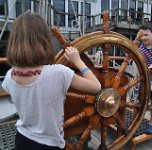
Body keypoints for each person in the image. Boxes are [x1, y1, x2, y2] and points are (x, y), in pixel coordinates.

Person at [2, 11, 101, 150]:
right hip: (49, 144)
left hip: (22, 139)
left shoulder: (9, 76)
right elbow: (97, 86)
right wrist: (78, 61)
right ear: (43, 40)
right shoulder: (59, 73)